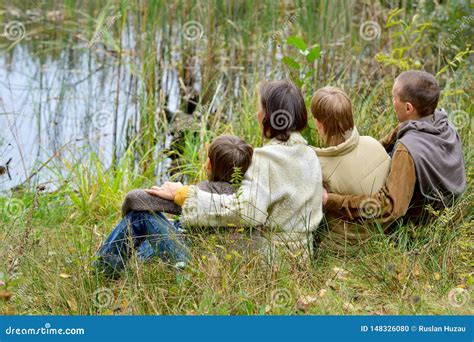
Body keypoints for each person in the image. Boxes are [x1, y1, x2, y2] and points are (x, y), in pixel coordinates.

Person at [149, 80, 323, 262]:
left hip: (272, 260)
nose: (257, 115)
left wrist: (185, 194)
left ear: (270, 117)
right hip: (302, 256)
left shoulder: (265, 158)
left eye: (261, 110)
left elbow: (246, 211)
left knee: (155, 224)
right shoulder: (310, 155)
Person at [322, 70, 466, 227]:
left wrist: (331, 200)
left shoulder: (407, 150)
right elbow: (386, 142)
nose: (392, 102)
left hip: (421, 224)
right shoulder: (444, 123)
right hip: (447, 210)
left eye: (394, 98)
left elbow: (389, 209)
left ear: (408, 108)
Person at [93, 135, 253, 276]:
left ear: (209, 164)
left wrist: (127, 215)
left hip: (190, 258)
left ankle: (103, 270)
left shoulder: (201, 192)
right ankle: (132, 266)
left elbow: (134, 198)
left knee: (138, 216)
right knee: (174, 224)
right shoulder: (248, 196)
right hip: (218, 261)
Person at [310, 86, 391, 252]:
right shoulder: (373, 143)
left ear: (319, 124)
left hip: (345, 246)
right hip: (385, 234)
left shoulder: (318, 164)